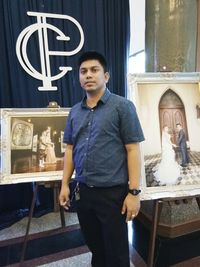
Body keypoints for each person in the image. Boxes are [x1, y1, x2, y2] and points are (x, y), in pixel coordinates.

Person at [59, 51, 144, 267]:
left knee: (116, 253)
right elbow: (70, 149)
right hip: (83, 191)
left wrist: (134, 192)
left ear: (106, 76)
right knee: (95, 248)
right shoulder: (74, 112)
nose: (88, 75)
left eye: (94, 70)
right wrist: (64, 185)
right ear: (79, 77)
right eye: (83, 71)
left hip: (112, 193)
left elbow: (133, 150)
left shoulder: (122, 107)